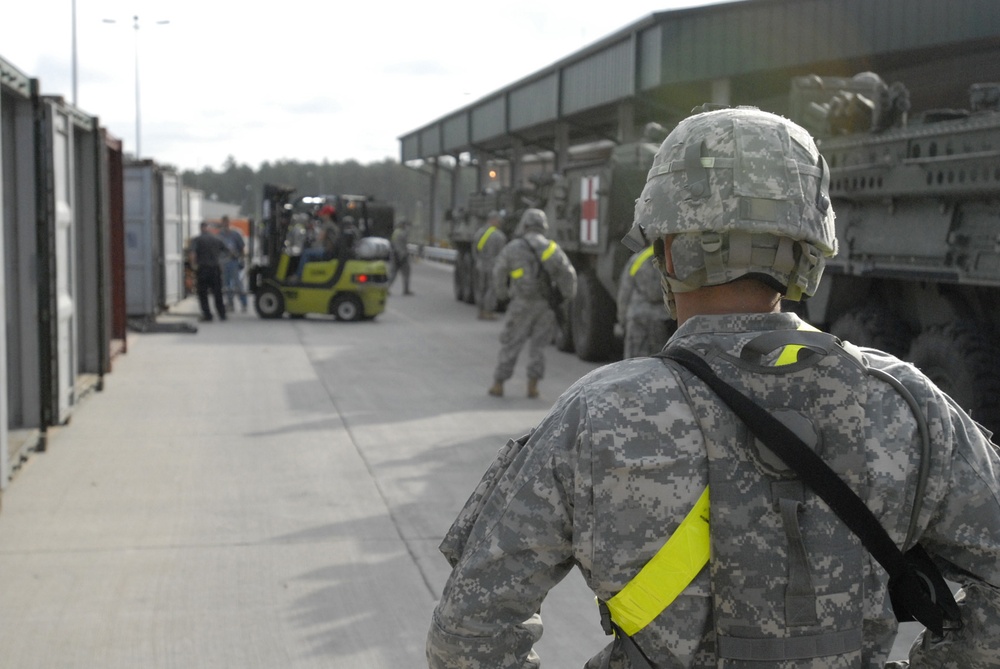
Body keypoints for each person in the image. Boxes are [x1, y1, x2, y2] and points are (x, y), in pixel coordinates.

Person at [427, 108, 1000, 667]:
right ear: (809, 252)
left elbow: (467, 636)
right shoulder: (908, 402)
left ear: (666, 251)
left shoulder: (598, 414)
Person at [487, 208, 576, 399]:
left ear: (525, 225)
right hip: (545, 307)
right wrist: (565, 297)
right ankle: (532, 387)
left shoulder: (513, 247)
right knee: (539, 348)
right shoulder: (552, 248)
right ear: (543, 226)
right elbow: (568, 274)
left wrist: (503, 294)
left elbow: (499, 271)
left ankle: (498, 384)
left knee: (511, 344)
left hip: (520, 304)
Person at [615, 245, 675, 358]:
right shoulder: (670, 259)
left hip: (636, 318)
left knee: (631, 364)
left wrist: (623, 320)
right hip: (661, 320)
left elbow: (625, 292)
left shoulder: (638, 259)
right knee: (656, 362)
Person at [188, 221, 228, 322]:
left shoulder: (197, 239)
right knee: (217, 292)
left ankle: (207, 315)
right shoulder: (217, 239)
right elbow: (228, 251)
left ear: (201, 228)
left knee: (203, 293)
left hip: (203, 269)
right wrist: (221, 261)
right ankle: (222, 314)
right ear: (208, 228)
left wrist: (193, 266)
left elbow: (192, 254)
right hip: (215, 269)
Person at [472, 211, 508, 320]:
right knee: (491, 289)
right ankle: (488, 312)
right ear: (494, 220)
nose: (499, 223)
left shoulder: (479, 233)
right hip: (492, 266)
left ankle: (481, 311)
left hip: (480, 265)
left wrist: (478, 260)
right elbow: (502, 254)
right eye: (498, 221)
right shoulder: (499, 236)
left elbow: (474, 250)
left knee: (481, 288)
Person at [295, 205, 338, 281]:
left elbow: (320, 237)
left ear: (327, 215)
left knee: (306, 253)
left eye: (323, 214)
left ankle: (298, 276)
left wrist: (312, 239)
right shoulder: (334, 224)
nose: (321, 216)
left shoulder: (328, 224)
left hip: (327, 251)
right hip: (331, 250)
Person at [217, 216, 247, 312]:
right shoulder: (220, 235)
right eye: (224, 222)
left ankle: (244, 303)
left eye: (227, 222)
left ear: (229, 223)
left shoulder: (235, 234)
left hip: (234, 261)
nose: (225, 224)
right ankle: (230, 304)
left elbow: (242, 248)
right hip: (224, 262)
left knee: (238, 283)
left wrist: (242, 259)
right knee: (226, 284)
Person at [390, 219, 413, 295]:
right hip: (402, 255)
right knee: (406, 273)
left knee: (393, 273)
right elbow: (404, 242)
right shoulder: (402, 233)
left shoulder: (395, 232)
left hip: (395, 254)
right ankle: (406, 290)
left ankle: (386, 288)